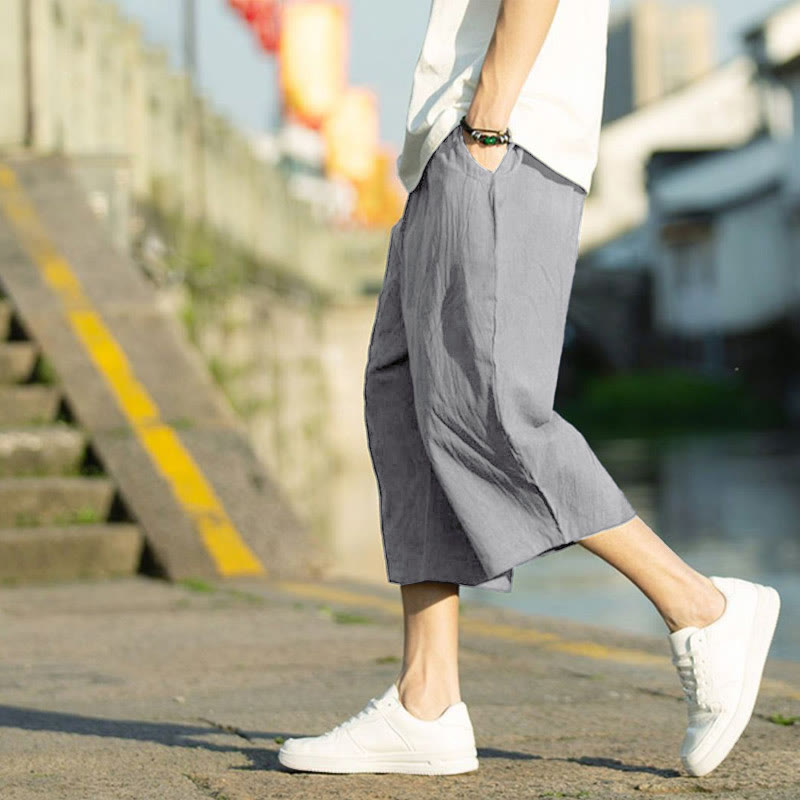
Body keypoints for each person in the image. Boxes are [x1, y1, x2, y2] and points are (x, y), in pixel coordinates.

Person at [278, 0, 781, 778]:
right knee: (407, 400)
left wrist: (487, 121)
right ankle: (426, 700)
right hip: (455, 145)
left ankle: (698, 605)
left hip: (500, 138)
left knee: (490, 410)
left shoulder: (494, 128)